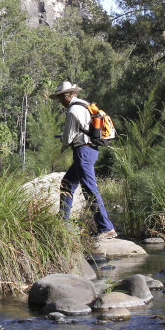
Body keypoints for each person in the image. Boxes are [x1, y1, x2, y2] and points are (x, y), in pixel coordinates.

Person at [50, 80, 117, 240]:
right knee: (67, 183)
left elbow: (68, 137)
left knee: (90, 189)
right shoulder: (84, 104)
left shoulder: (73, 110)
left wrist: (63, 140)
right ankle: (63, 222)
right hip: (90, 149)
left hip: (83, 151)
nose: (60, 102)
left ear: (66, 96)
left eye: (60, 98)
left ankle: (106, 228)